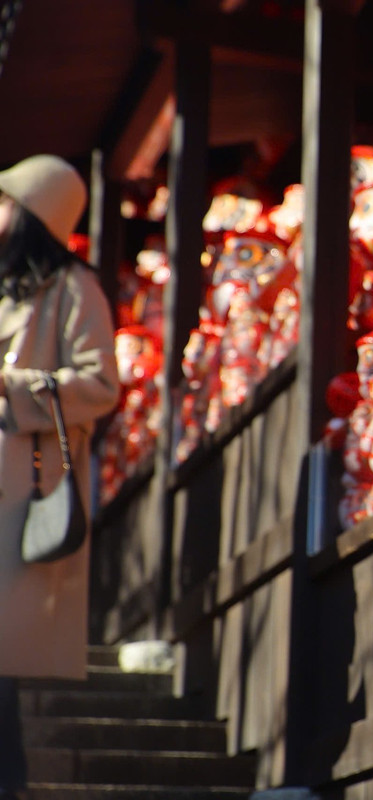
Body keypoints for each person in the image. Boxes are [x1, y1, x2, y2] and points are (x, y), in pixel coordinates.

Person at [0, 155, 120, 797]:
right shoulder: (9, 286)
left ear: (33, 216)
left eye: (5, 202)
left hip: (22, 489)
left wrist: (13, 387)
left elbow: (102, 384)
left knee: (2, 660)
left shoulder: (73, 288)